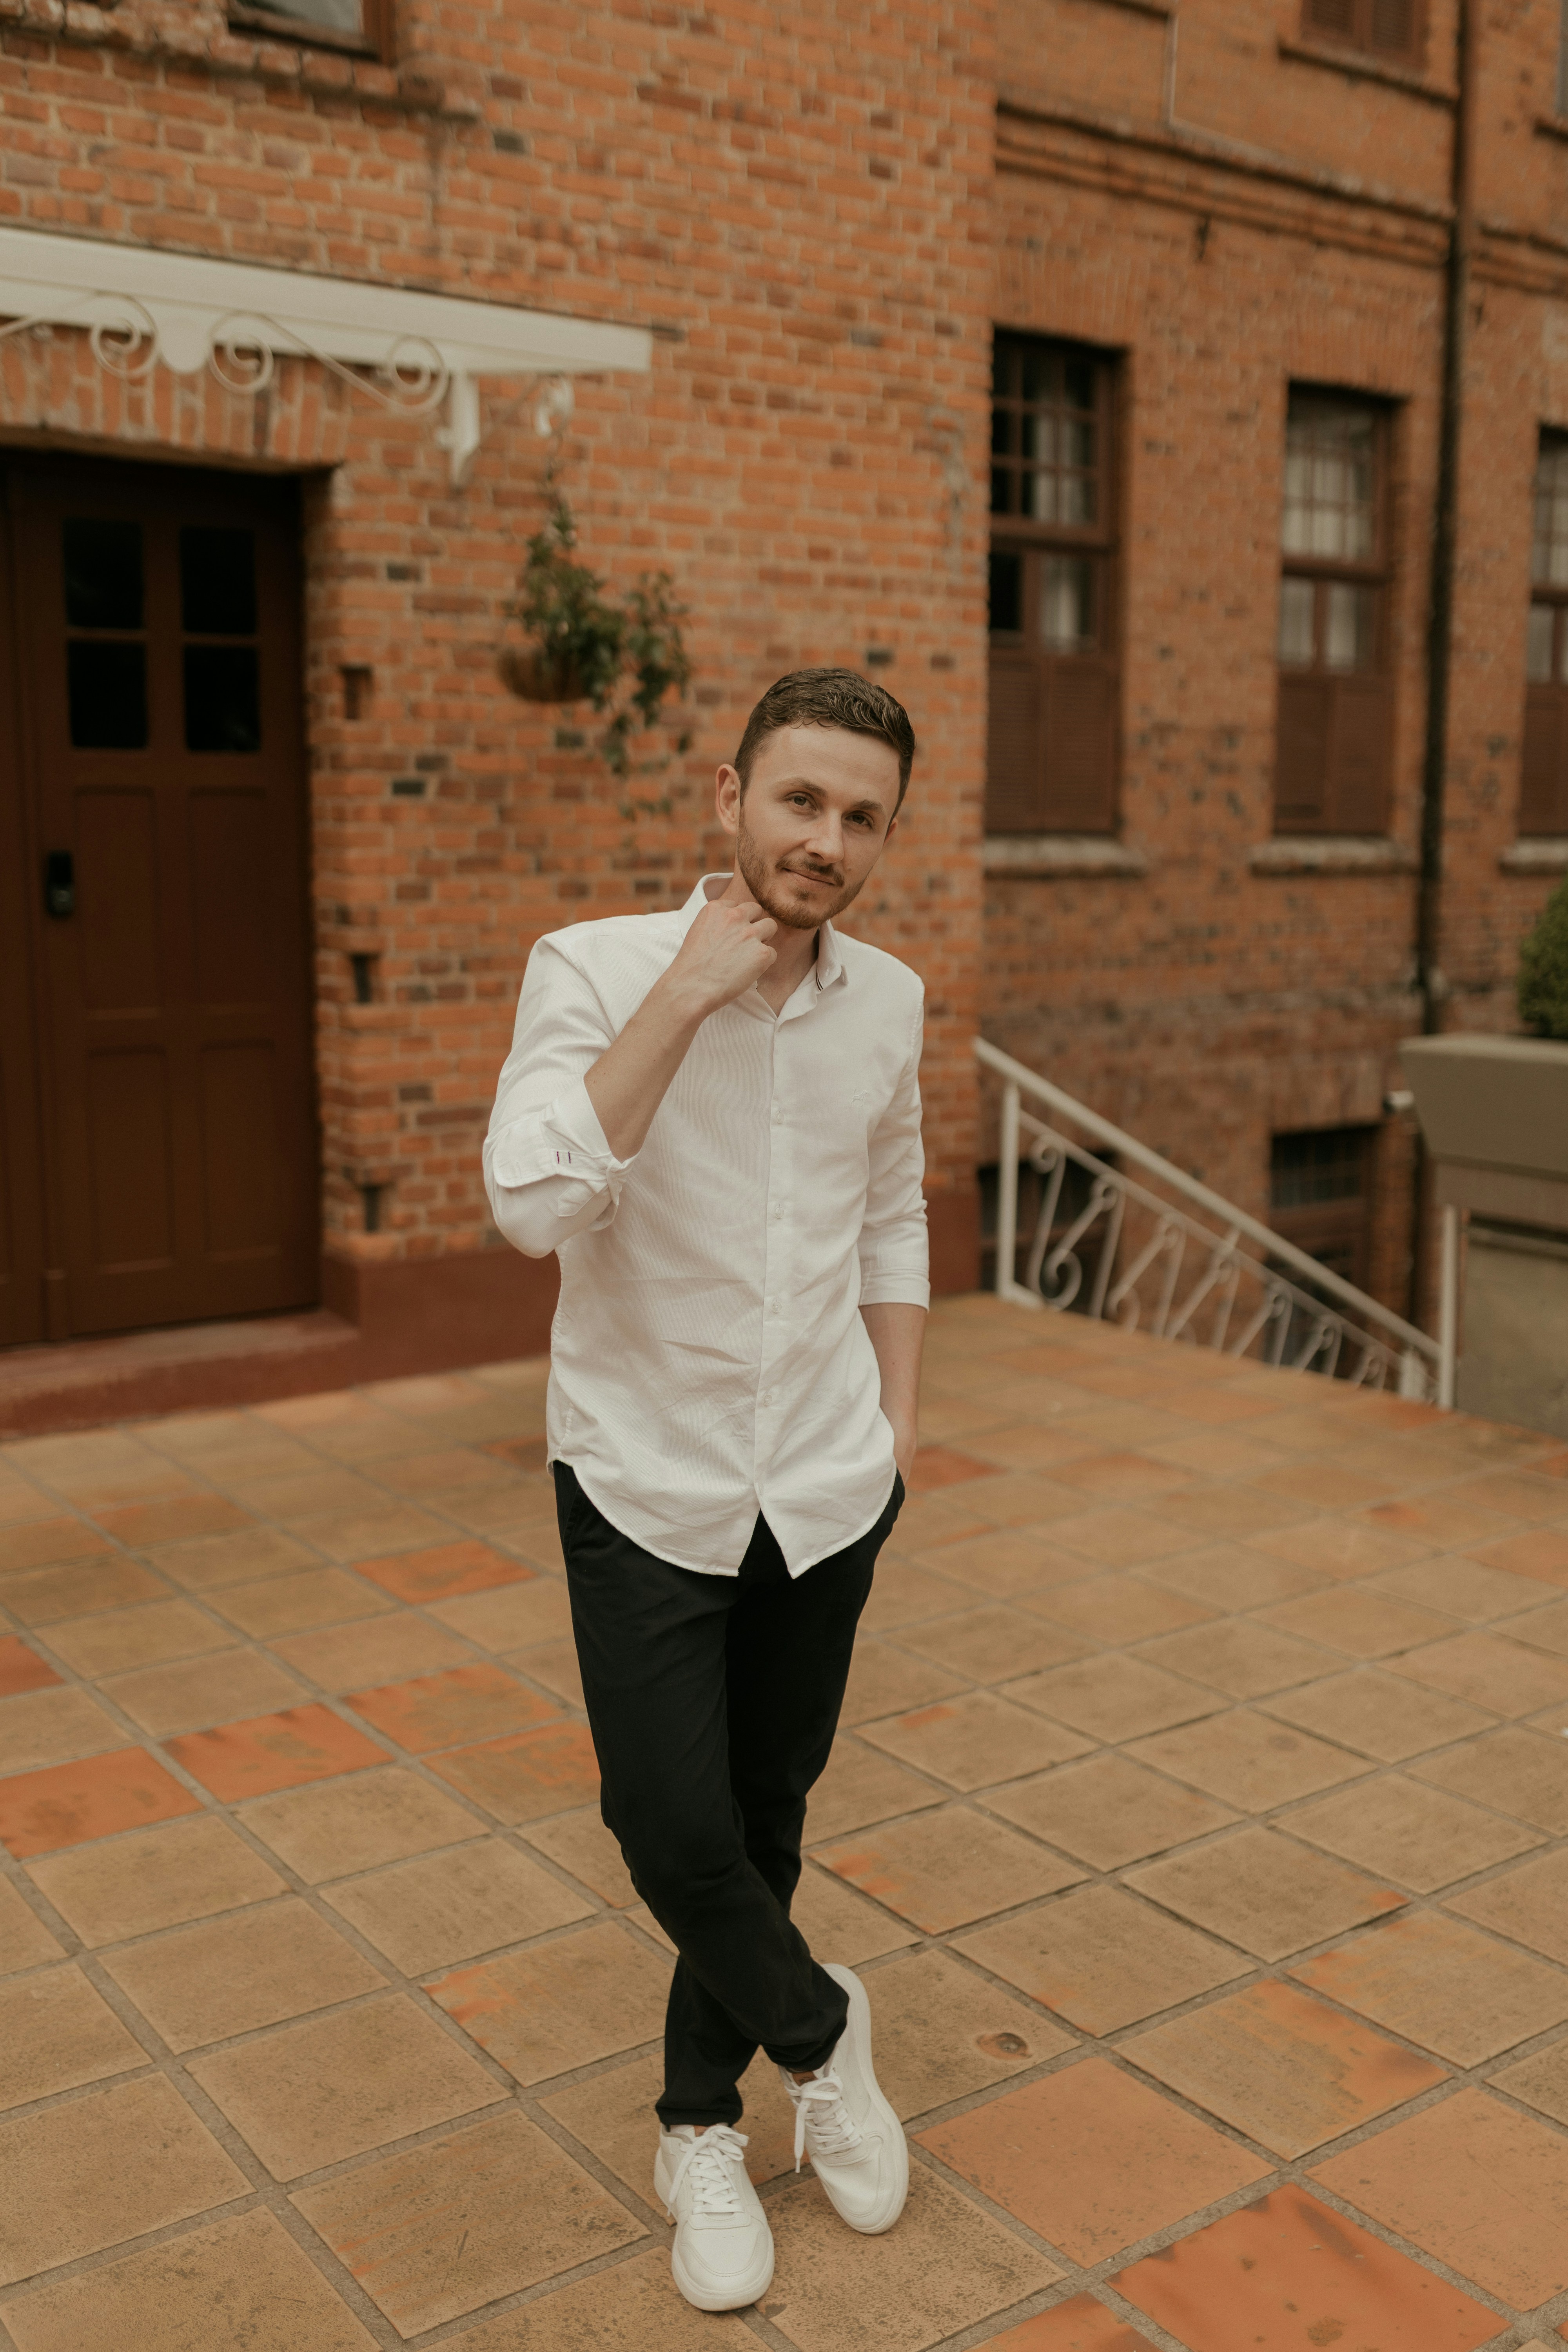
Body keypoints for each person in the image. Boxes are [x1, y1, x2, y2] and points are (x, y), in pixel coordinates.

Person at [483, 667, 929, 2312]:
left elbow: (893, 1206)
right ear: (730, 795)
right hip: (643, 1476)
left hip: (826, 1482)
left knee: (763, 1816)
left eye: (861, 817)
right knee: (668, 1826)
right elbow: (531, 1207)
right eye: (799, 800)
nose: (826, 841)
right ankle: (820, 2030)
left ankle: (700, 2126)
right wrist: (684, 997)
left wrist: (896, 1427)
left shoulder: (889, 1001)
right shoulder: (595, 968)